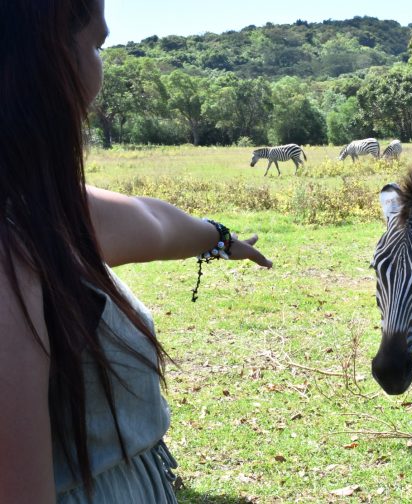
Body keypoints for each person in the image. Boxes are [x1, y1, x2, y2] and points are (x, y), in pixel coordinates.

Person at [0, 1, 272, 502]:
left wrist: (220, 238)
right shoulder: (10, 251)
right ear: (46, 52)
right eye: (98, 44)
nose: (99, 72)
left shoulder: (40, 210)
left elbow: (154, 222)